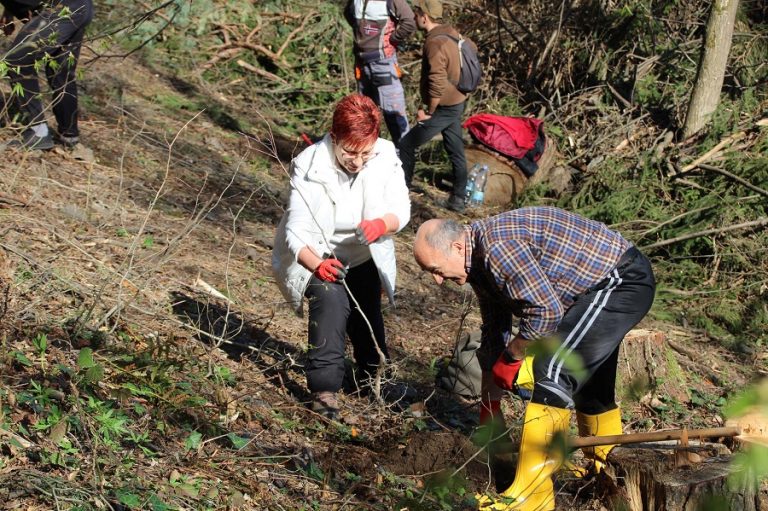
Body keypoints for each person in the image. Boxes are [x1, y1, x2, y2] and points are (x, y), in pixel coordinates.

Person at [413, 207, 655, 510]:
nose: (437, 280)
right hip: (598, 291)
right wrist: (491, 405)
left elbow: (545, 313)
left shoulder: (498, 248)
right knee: (589, 388)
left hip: (620, 282)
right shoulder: (478, 264)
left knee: (551, 371)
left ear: (457, 246)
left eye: (435, 269)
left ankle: (531, 497)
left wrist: (513, 357)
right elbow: (495, 329)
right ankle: (604, 474)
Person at [272, 94, 411, 420]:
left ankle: (374, 380)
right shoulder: (310, 164)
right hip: (319, 255)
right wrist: (317, 264)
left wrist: (382, 224)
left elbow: (401, 209)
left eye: (366, 153)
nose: (358, 161)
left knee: (368, 318)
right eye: (350, 151)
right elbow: (296, 231)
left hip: (365, 256)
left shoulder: (386, 155)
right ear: (334, 138)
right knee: (332, 305)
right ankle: (325, 391)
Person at [397, 0, 472, 211]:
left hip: (445, 106)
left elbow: (437, 82)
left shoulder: (434, 43)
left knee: (406, 144)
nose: (414, 16)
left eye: (417, 12)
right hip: (458, 100)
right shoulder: (452, 33)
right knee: (455, 148)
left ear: (425, 16)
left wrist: (430, 111)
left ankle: (401, 192)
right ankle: (458, 200)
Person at [1, 0, 93, 150]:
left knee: (17, 60)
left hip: (62, 8)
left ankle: (38, 133)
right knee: (60, 72)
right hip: (78, 7)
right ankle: (69, 136)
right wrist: (9, 11)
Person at [344, 0, 415, 146]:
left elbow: (409, 21)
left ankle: (404, 163)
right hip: (361, 64)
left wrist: (392, 39)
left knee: (394, 116)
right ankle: (370, 156)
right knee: (365, 117)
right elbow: (348, 13)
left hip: (384, 63)